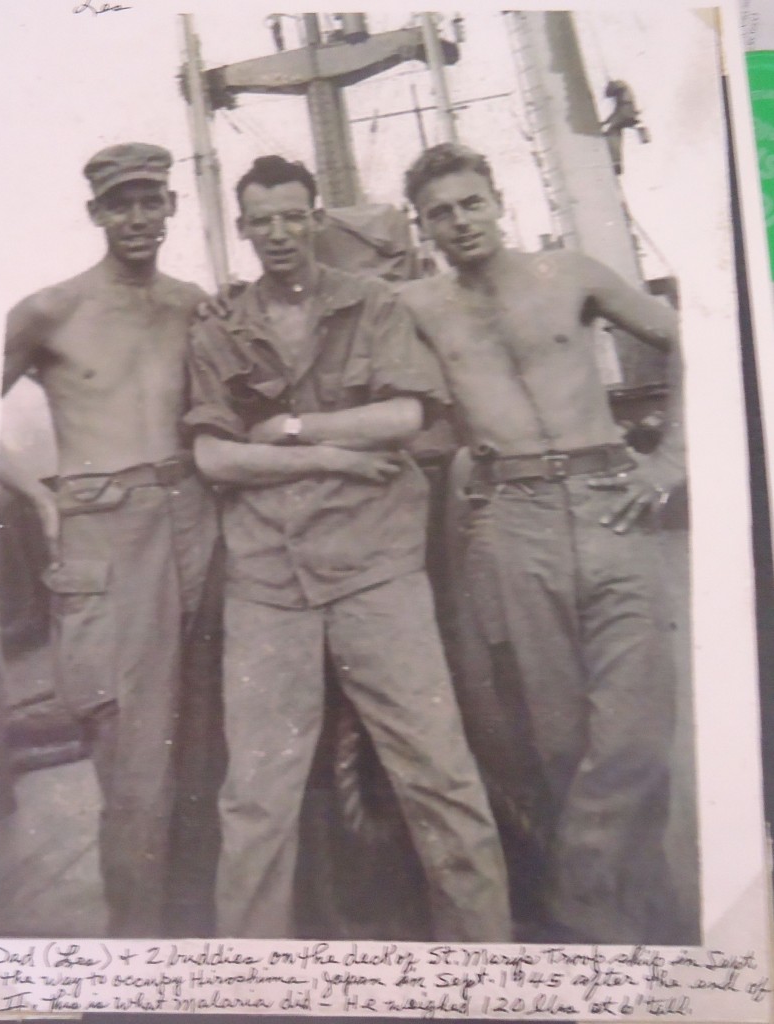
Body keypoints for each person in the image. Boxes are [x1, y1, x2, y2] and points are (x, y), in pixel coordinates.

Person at [186, 154, 511, 941]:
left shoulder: (371, 304)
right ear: (243, 229)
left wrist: (293, 430)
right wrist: (331, 455)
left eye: (293, 215)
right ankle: (251, 983)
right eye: (261, 221)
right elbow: (214, 458)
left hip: (375, 572)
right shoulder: (220, 329)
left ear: (314, 216)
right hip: (268, 583)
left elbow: (403, 416)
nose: (279, 234)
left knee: (437, 773)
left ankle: (490, 967)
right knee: (257, 796)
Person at [400, 143, 686, 944]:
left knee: (634, 736)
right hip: (512, 518)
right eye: (440, 214)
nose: (459, 223)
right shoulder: (419, 305)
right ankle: (643, 924)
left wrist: (668, 464)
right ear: (423, 230)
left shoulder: (570, 274)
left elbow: (700, 335)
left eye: (470, 203)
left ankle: (578, 907)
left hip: (607, 504)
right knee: (559, 744)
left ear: (498, 200)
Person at [0, 142, 218, 936]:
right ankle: (133, 962)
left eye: (150, 200)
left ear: (170, 207)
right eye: (120, 203)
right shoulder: (49, 311)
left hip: (196, 526)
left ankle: (201, 953)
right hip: (105, 538)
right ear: (94, 212)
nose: (137, 217)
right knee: (131, 763)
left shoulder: (194, 305)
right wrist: (38, 496)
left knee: (204, 749)